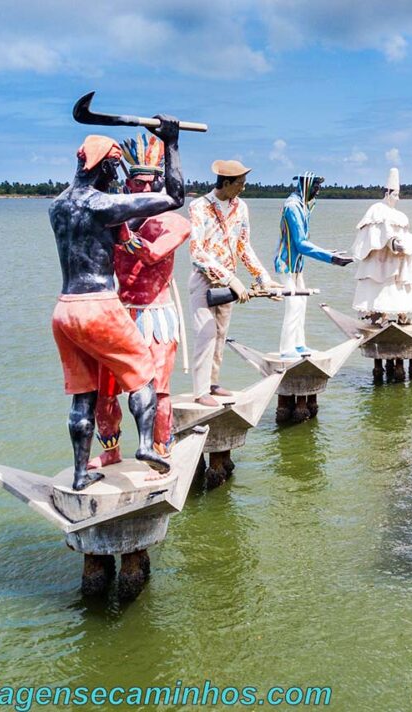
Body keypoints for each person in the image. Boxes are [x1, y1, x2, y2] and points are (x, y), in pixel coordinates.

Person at [47, 117, 182, 490]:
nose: (120, 177)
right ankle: (144, 446)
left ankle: (79, 475)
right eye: (117, 168)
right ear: (107, 166)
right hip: (99, 305)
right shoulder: (102, 204)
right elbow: (174, 197)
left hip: (64, 309)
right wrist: (171, 142)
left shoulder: (57, 206)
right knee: (142, 374)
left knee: (82, 394)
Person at [89, 134, 192, 470]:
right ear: (127, 186)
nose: (144, 190)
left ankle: (161, 453)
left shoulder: (174, 222)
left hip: (156, 316)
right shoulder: (113, 218)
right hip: (119, 313)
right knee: (104, 391)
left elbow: (150, 255)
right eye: (137, 183)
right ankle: (111, 451)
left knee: (158, 391)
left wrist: (121, 229)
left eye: (151, 184)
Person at [188, 160, 283, 406]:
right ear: (226, 183)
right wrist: (231, 279)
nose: (243, 188)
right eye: (240, 184)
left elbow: (243, 247)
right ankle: (200, 392)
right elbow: (196, 253)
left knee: (220, 334)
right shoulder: (199, 207)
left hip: (230, 283)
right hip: (205, 279)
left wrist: (263, 279)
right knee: (206, 333)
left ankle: (212, 383)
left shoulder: (240, 207)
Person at [274, 172, 353, 359]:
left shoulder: (303, 206)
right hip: (286, 263)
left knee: (301, 304)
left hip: (297, 265)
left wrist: (330, 253)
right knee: (293, 305)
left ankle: (299, 345)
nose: (317, 193)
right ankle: (286, 349)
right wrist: (330, 258)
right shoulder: (292, 207)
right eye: (315, 188)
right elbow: (301, 243)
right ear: (306, 186)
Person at [350, 167, 412, 325]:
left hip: (396, 259)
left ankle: (403, 316)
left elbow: (402, 235)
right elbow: (376, 234)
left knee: (399, 286)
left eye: (398, 195)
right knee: (382, 287)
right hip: (380, 259)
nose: (397, 198)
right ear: (387, 194)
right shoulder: (377, 210)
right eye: (394, 194)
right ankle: (381, 316)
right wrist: (392, 242)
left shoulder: (400, 215)